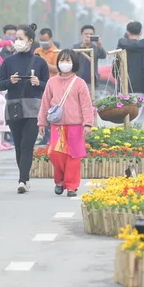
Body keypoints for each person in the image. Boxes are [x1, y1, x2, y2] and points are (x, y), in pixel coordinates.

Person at [0, 24, 50, 194]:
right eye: (16, 38)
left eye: (21, 38)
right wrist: (9, 81)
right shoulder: (8, 61)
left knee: (27, 144)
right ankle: (24, 176)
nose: (17, 41)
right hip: (14, 107)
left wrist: (38, 83)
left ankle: (23, 180)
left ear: (30, 40)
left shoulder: (40, 62)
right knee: (18, 145)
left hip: (33, 108)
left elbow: (48, 85)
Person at [38, 49, 94, 198]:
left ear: (73, 63)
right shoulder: (52, 82)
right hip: (57, 126)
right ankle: (60, 181)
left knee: (73, 157)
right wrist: (41, 122)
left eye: (68, 61)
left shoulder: (79, 83)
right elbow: (45, 103)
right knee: (55, 154)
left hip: (75, 126)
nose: (64, 64)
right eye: (62, 60)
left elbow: (86, 105)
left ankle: (71, 186)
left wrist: (88, 123)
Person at [34, 27, 61, 145]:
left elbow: (58, 69)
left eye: (45, 40)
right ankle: (44, 136)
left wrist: (44, 63)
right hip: (38, 84)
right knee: (42, 110)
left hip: (52, 85)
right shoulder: (37, 51)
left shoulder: (56, 52)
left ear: (51, 39)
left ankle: (52, 137)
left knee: (52, 111)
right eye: (41, 40)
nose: (43, 42)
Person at [73, 25, 107, 89]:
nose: (88, 36)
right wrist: (82, 46)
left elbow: (103, 56)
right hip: (78, 80)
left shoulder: (95, 47)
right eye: (86, 34)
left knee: (92, 98)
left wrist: (100, 46)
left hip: (92, 81)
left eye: (91, 34)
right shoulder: (76, 46)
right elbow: (72, 58)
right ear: (81, 35)